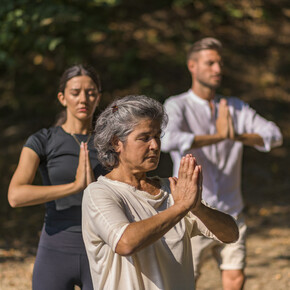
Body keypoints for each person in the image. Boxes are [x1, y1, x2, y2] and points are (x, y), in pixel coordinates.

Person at [161, 37, 283, 290]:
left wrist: (235, 135)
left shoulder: (235, 107)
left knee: (235, 277)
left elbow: (274, 135)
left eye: (220, 63)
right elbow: (167, 139)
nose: (218, 69)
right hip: (192, 212)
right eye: (210, 63)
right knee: (184, 281)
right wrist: (217, 136)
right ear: (192, 66)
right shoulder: (177, 105)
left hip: (231, 210)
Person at [82, 95, 239, 290]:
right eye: (144, 138)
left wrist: (197, 207)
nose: (155, 146)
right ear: (116, 143)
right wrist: (181, 207)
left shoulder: (172, 190)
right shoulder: (99, 193)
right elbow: (125, 243)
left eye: (157, 136)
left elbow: (231, 234)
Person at [8, 64, 106, 290]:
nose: (84, 99)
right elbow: (15, 195)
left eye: (91, 92)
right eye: (75, 92)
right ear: (62, 98)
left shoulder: (109, 144)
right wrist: (75, 186)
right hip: (56, 248)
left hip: (101, 250)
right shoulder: (42, 140)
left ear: (98, 97)